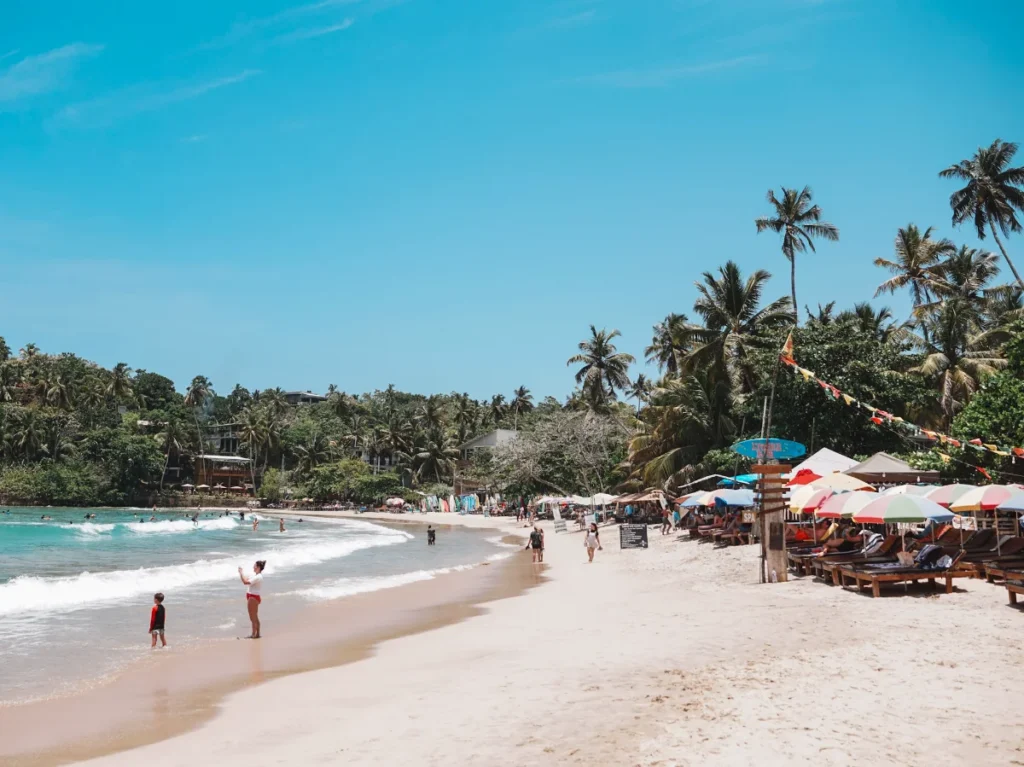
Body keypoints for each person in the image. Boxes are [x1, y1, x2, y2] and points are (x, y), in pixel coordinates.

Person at [238, 560, 266, 639]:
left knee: (252, 617)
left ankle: (254, 634)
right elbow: (246, 579)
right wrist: (242, 574)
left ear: (258, 567)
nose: (253, 567)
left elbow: (245, 582)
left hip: (253, 597)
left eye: (254, 566)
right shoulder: (256, 575)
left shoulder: (258, 577)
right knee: (255, 617)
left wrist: (241, 573)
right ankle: (257, 634)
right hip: (253, 597)